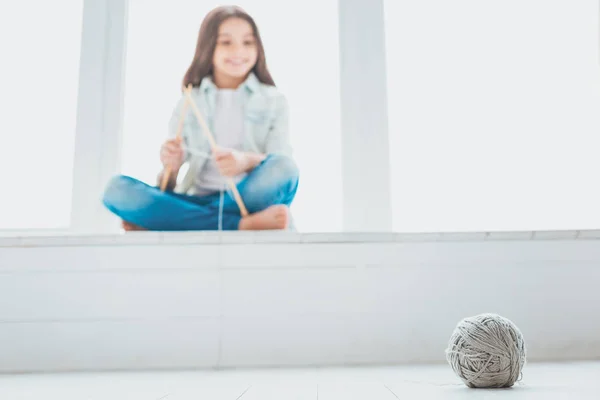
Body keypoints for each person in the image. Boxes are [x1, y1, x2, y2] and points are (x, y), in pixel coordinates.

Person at [102, 5, 299, 231]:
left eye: (248, 42)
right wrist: (172, 167)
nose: (238, 51)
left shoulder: (274, 100)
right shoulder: (189, 100)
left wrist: (244, 161)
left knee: (285, 168)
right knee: (115, 189)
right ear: (209, 47)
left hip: (245, 200)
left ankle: (172, 222)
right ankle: (238, 225)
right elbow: (169, 183)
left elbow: (278, 160)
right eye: (226, 42)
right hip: (194, 199)